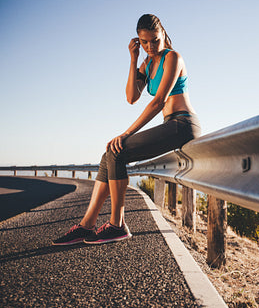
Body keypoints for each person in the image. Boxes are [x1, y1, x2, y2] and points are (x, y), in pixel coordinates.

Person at [53, 14, 201, 245]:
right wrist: (133, 60)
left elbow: (159, 101)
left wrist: (126, 133)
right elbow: (132, 97)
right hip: (170, 125)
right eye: (144, 42)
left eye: (154, 40)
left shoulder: (173, 57)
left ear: (163, 35)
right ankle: (87, 225)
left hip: (183, 124)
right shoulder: (147, 63)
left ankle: (117, 224)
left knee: (117, 149)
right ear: (138, 41)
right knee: (108, 156)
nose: (150, 46)